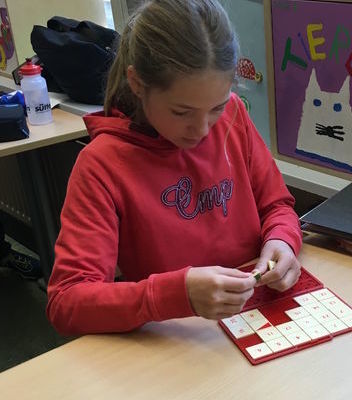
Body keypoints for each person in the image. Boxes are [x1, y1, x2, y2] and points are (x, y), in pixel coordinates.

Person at [46, 0, 302, 335]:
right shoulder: (102, 165)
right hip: (178, 337)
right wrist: (174, 295)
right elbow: (67, 301)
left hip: (253, 319)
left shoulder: (234, 115)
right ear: (137, 84)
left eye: (216, 107)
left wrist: (282, 240)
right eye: (182, 112)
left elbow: (277, 205)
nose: (203, 129)